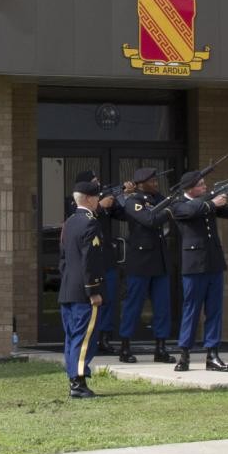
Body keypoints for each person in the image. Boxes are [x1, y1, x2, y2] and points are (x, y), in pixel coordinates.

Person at [166, 169, 228, 372]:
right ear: (190, 188)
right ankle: (184, 352)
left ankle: (212, 353)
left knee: (214, 310)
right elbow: (190, 211)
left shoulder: (208, 203)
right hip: (194, 264)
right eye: (201, 185)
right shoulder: (178, 204)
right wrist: (212, 202)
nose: (205, 187)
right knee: (191, 310)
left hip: (214, 262)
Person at [111, 167, 175, 363]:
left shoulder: (157, 199)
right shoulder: (133, 201)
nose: (155, 184)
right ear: (140, 184)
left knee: (162, 307)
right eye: (151, 181)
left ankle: (161, 347)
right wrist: (170, 210)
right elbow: (150, 220)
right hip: (140, 261)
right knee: (134, 305)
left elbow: (166, 204)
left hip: (159, 261)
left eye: (156, 181)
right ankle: (125, 347)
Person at [58, 178, 107, 398]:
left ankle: (73, 380)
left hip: (68, 288)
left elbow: (63, 260)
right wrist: (93, 290)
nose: (98, 200)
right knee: (84, 337)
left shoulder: (69, 222)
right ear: (88, 199)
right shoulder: (90, 222)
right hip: (84, 292)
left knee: (72, 337)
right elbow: (91, 260)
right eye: (96, 196)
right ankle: (78, 383)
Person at [73, 171, 120, 356]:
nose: (98, 184)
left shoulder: (105, 197)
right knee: (91, 302)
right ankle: (92, 338)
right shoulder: (77, 204)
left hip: (106, 258)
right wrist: (100, 206)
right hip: (90, 263)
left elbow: (122, 214)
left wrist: (116, 201)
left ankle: (105, 338)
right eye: (94, 182)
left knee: (108, 299)